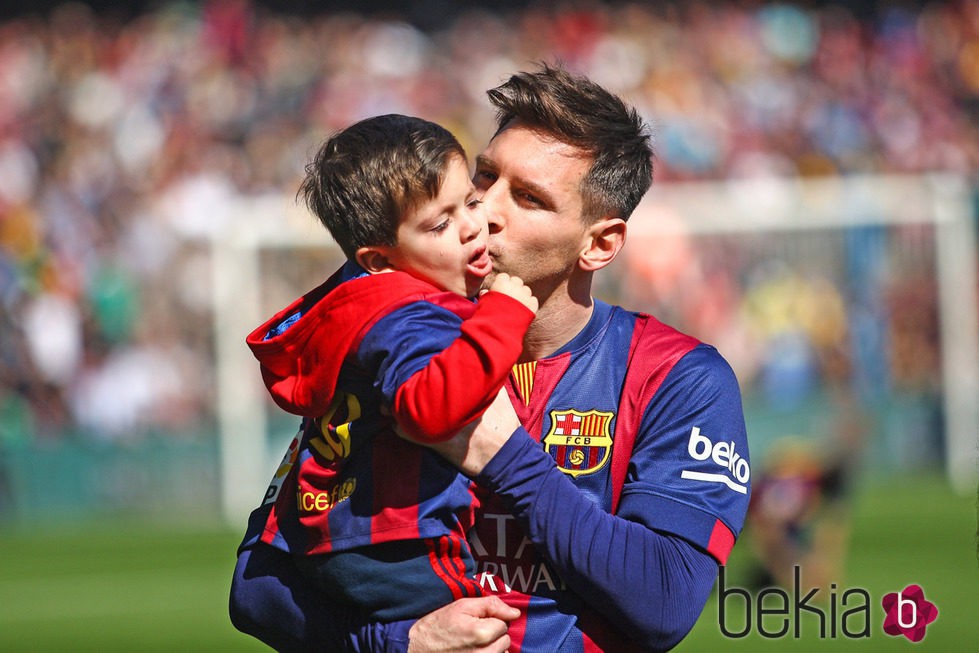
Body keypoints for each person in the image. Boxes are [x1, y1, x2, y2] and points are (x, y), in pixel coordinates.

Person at [230, 64, 752, 652]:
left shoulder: (676, 378)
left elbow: (666, 600)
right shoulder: (396, 347)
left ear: (599, 243)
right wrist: (393, 642)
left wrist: (509, 461)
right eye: (484, 177)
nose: (485, 211)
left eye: (528, 198)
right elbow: (255, 584)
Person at [241, 114, 538, 624]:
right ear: (378, 260)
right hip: (397, 542)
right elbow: (429, 409)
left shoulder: (358, 304)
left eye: (469, 201)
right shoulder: (406, 317)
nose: (473, 225)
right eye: (440, 224)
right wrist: (503, 316)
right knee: (494, 628)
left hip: (334, 534)